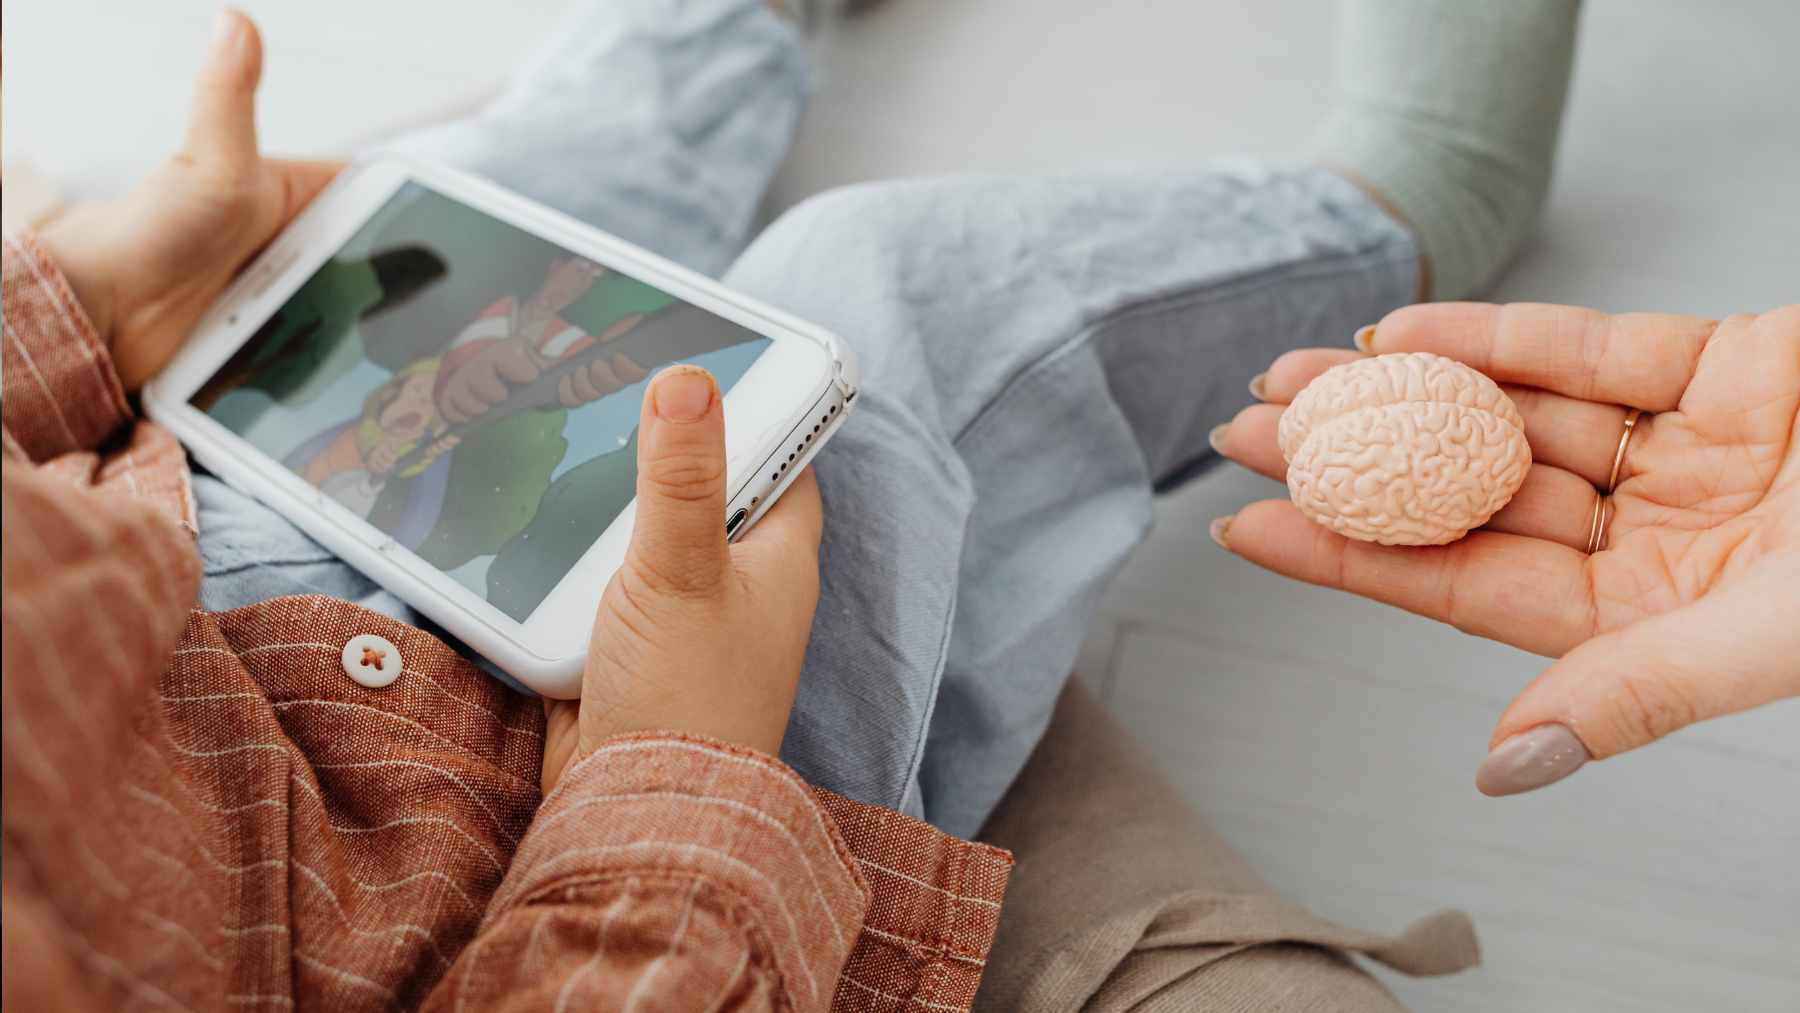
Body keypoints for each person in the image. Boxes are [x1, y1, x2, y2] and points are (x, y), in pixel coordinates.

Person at [15, 0, 1780, 1009]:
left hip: (177, 497)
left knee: (467, 203)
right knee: (874, 307)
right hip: (532, 828)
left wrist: (73, 314)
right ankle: (1405, 211)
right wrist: (678, 768)